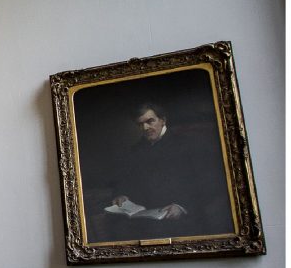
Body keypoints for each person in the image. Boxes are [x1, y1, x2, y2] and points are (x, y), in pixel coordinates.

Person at [98, 102, 232, 242]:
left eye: (150, 121)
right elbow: (125, 180)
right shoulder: (135, 151)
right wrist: (122, 194)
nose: (145, 128)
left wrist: (182, 207)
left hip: (185, 219)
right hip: (145, 220)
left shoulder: (189, 144)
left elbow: (209, 184)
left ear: (163, 120)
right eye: (140, 124)